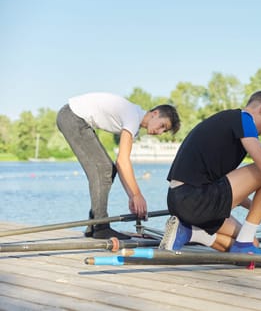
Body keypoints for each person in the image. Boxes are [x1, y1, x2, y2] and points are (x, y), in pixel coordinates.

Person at [159, 90, 261, 254]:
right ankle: (244, 242)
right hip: (194, 199)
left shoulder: (227, 126)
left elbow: (228, 190)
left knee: (252, 244)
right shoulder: (243, 118)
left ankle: (190, 233)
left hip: (181, 202)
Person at [56, 92, 180, 239]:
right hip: (72, 117)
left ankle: (94, 224)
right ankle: (100, 227)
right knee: (104, 169)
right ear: (155, 113)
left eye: (164, 131)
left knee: (108, 169)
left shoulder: (134, 119)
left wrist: (132, 196)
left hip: (73, 117)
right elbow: (123, 160)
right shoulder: (133, 117)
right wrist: (137, 195)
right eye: (162, 125)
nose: (159, 132)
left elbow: (120, 165)